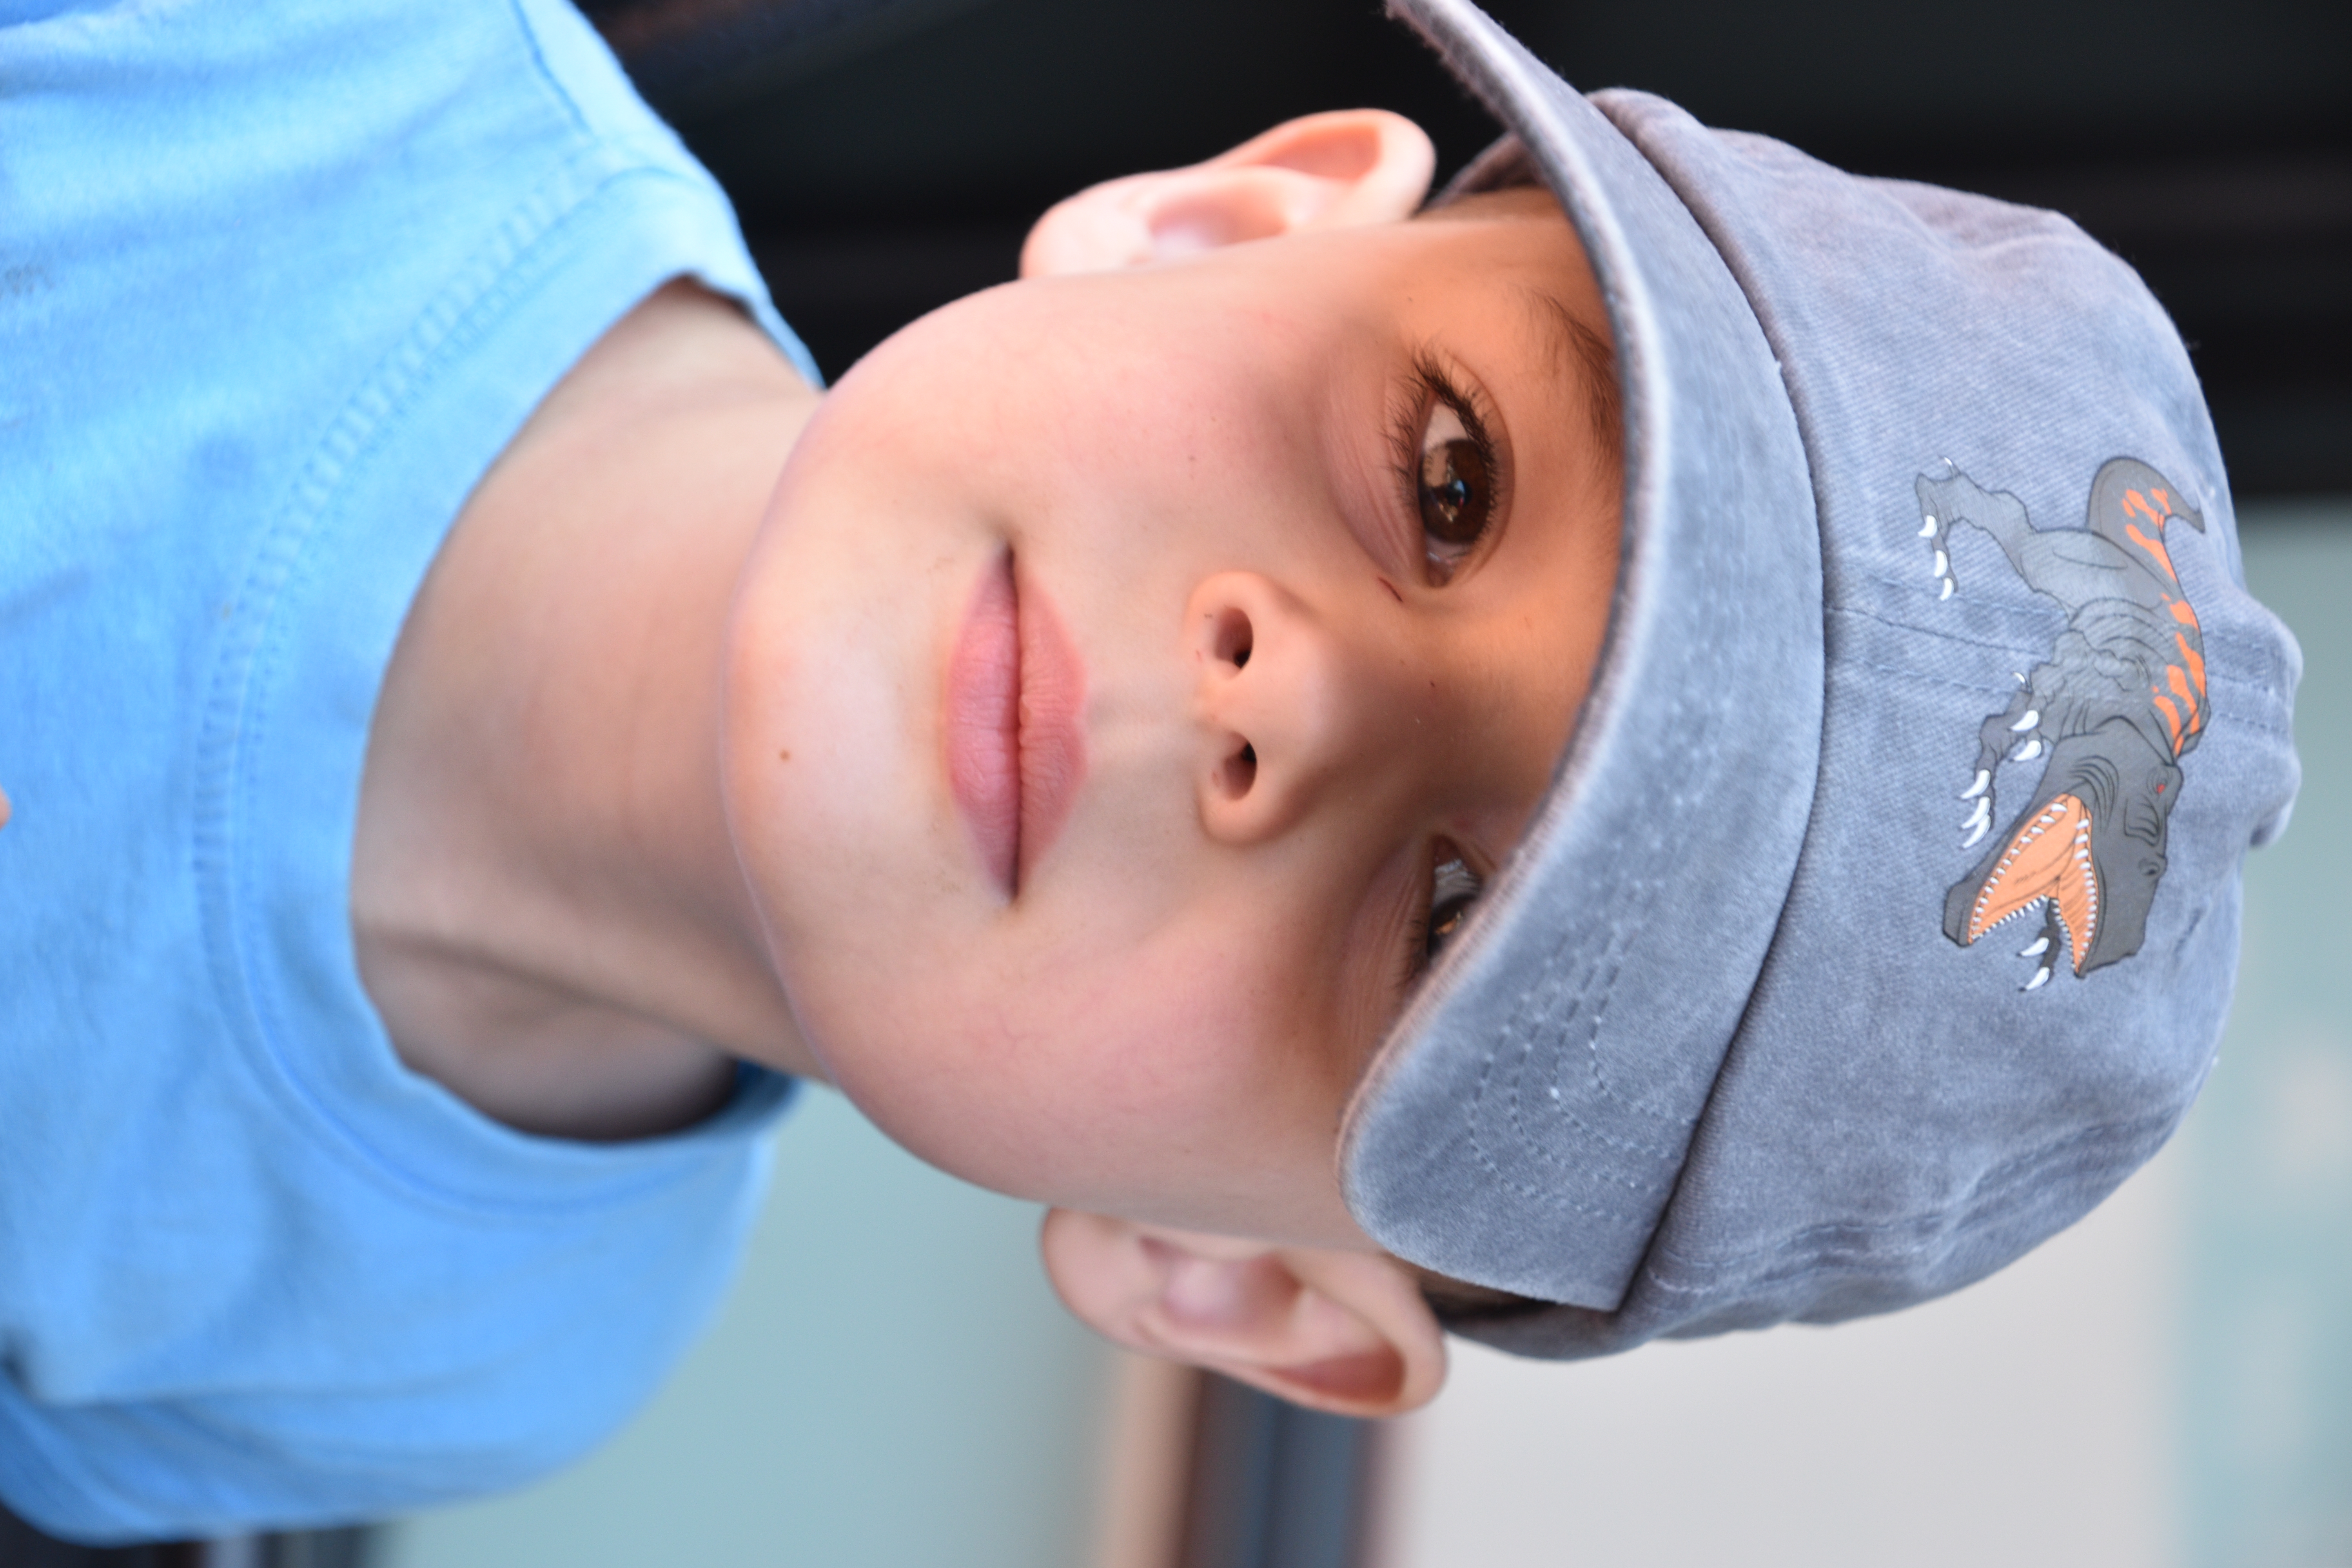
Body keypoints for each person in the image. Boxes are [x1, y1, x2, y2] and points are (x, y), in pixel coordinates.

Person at [0, 0, 2301, 1546]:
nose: (1282, 701)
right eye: (1452, 477)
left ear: (1242, 1285)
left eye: (1451, 934)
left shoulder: (459, 1366)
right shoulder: (233, 50)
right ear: (1226, 221)